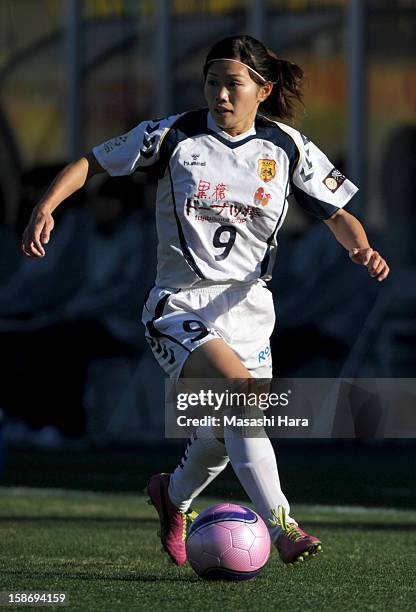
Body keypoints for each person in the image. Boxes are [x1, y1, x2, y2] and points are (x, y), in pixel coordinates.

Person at [22, 34, 390, 568]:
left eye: (232, 84)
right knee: (243, 404)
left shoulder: (287, 147)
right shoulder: (174, 134)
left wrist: (362, 248)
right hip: (179, 306)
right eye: (212, 82)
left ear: (262, 90)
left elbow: (337, 213)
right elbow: (91, 162)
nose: (220, 94)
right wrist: (45, 206)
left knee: (221, 436)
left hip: (250, 313)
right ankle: (283, 525)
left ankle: (172, 496)